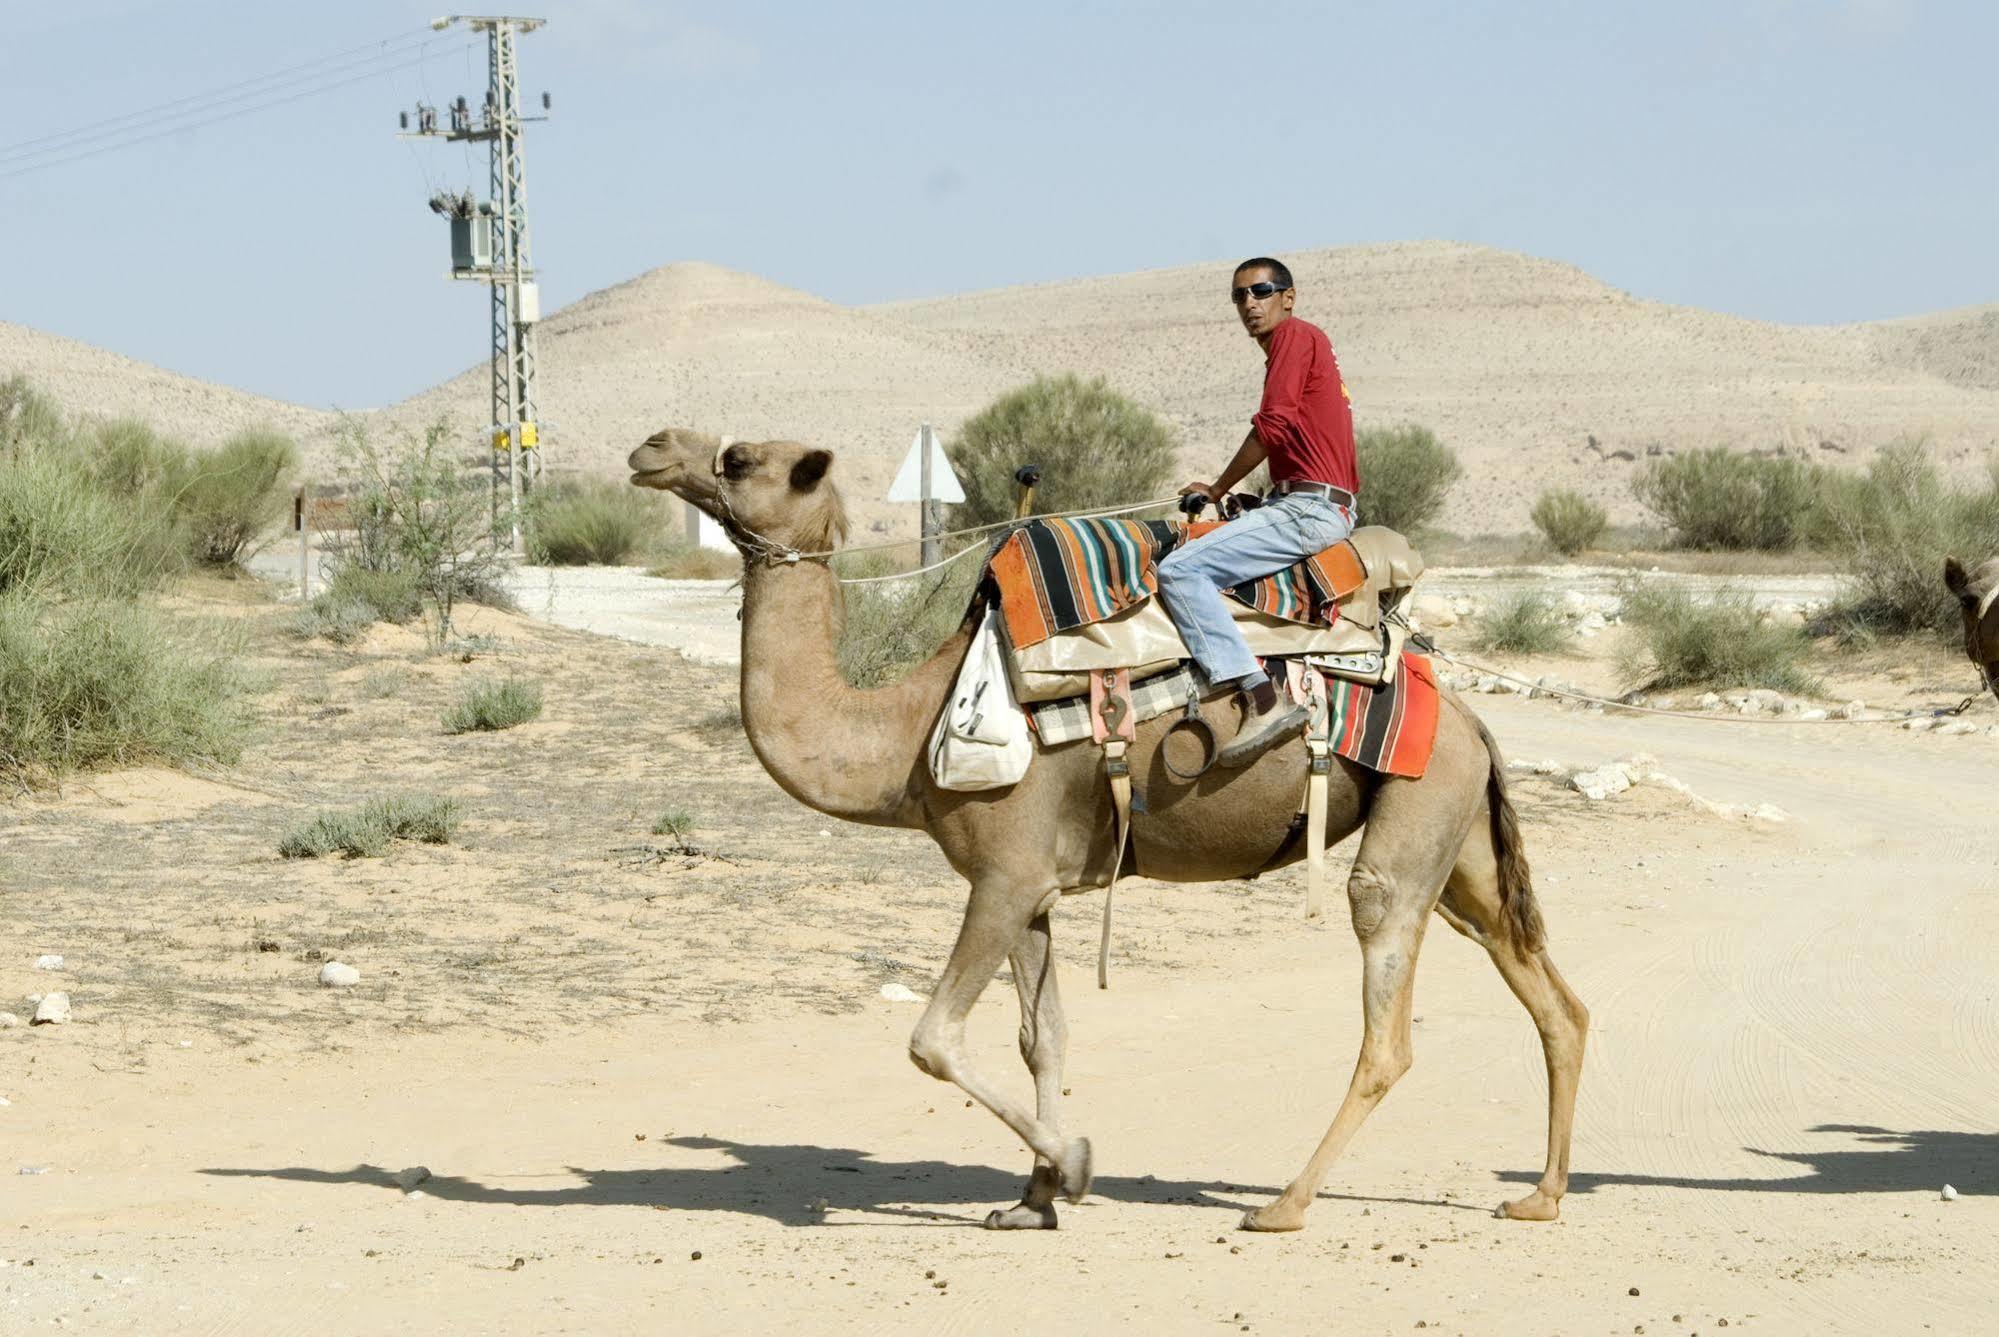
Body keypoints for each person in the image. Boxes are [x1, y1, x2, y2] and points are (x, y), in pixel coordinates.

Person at [1154, 256, 1360, 767]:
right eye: (1239, 295)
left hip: (1309, 508)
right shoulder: (1300, 347)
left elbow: (1272, 426)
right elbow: (1290, 434)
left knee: (1179, 571)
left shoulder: (1295, 336)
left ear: (1288, 297)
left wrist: (1219, 486)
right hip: (1304, 501)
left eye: (1262, 291)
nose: (1250, 303)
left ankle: (1259, 700)